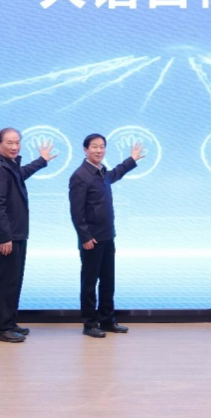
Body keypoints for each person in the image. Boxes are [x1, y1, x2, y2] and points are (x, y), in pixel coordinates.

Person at [0, 128, 56, 343]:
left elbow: (21, 175)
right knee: (6, 281)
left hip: (17, 233)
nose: (15, 147)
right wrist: (4, 237)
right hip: (8, 236)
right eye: (10, 143)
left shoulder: (9, 166)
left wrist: (41, 161)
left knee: (14, 280)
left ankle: (9, 322)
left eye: (17, 142)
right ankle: (1, 329)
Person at [69, 133, 144, 338]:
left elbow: (116, 174)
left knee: (108, 281)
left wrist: (132, 159)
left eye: (102, 146)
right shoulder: (80, 175)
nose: (99, 150)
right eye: (94, 146)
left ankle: (107, 320)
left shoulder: (101, 171)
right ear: (85, 150)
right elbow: (76, 211)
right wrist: (85, 237)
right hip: (91, 239)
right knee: (89, 283)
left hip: (107, 236)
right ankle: (89, 324)